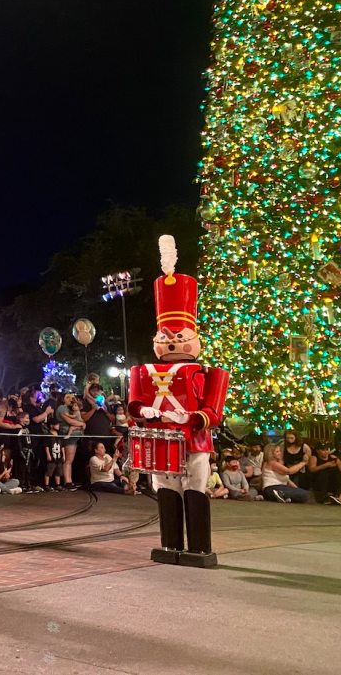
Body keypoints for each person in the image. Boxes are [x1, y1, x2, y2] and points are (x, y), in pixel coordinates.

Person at [128, 236, 229, 567]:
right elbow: (134, 405)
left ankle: (199, 547)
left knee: (195, 489)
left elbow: (213, 412)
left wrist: (189, 418)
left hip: (194, 440)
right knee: (166, 489)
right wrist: (146, 410)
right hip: (160, 440)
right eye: (165, 338)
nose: (172, 343)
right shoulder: (141, 371)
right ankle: (170, 545)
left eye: (179, 337)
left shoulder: (210, 372)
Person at [55, 393, 84, 489]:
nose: (69, 399)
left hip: (75, 435)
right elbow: (69, 421)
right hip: (69, 435)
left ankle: (69, 480)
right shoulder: (62, 408)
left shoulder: (70, 409)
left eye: (71, 398)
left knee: (70, 459)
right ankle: (67, 481)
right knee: (68, 459)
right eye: (67, 397)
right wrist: (81, 424)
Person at [43, 420, 63, 490]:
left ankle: (58, 485)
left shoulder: (59, 435)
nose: (58, 426)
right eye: (56, 424)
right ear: (51, 425)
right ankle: (46, 485)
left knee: (58, 471)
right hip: (52, 455)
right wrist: (48, 455)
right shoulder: (48, 435)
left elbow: (62, 446)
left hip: (59, 456)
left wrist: (64, 455)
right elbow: (46, 446)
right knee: (49, 471)